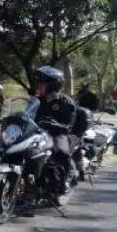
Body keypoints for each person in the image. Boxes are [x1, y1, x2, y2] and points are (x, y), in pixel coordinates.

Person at [34, 66, 77, 194]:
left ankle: (62, 183)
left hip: (58, 133)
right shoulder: (36, 100)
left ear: (52, 86)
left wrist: (53, 124)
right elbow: (24, 112)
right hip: (38, 133)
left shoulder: (66, 102)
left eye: (41, 84)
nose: (38, 86)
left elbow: (68, 126)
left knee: (60, 152)